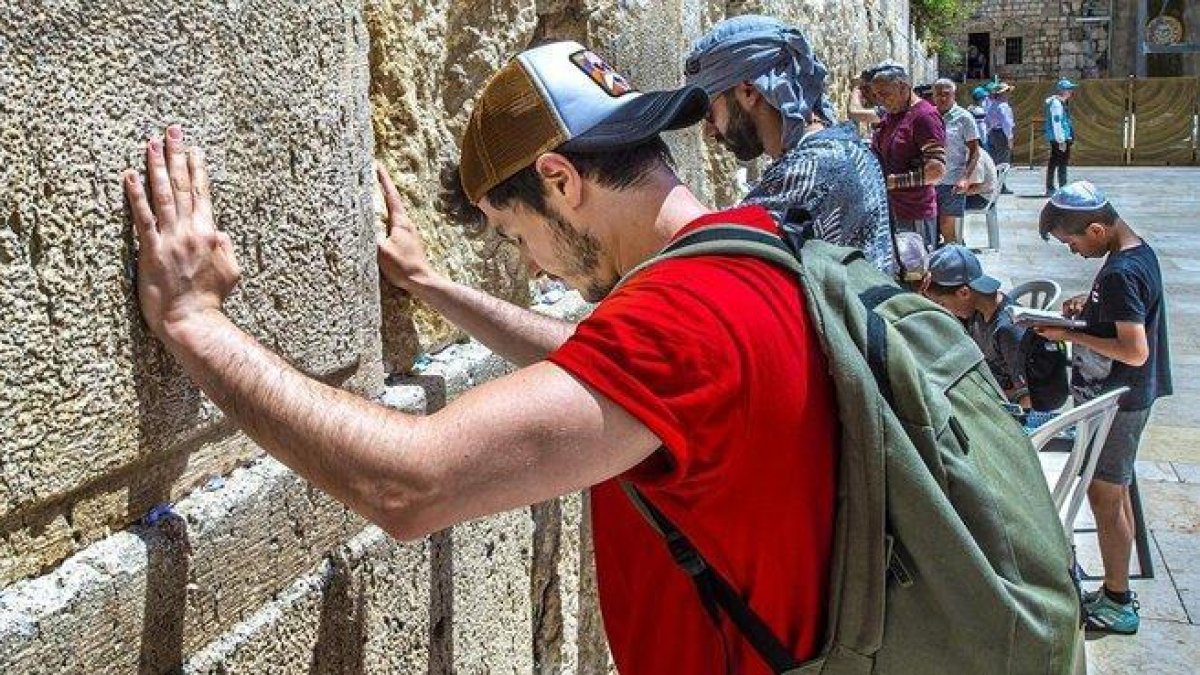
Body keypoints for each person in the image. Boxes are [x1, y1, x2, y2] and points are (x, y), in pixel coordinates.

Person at [124, 40, 839, 673]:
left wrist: (196, 321)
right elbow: (594, 368)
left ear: (560, 180)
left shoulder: (675, 325)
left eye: (514, 231)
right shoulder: (747, 250)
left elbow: (411, 486)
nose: (531, 268)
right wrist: (429, 285)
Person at [1036, 181, 1172, 635]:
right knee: (1114, 491)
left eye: (1073, 242)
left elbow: (1134, 350)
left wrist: (1070, 334)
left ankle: (1118, 601)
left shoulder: (1120, 273)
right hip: (1130, 397)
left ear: (1096, 229)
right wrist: (1090, 309)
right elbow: (1125, 315)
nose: (1073, 251)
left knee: (1105, 497)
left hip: (1121, 399)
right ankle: (1116, 589)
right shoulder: (1136, 253)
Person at [683, 15, 895, 275]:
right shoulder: (845, 146)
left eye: (709, 114)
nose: (709, 131)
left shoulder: (814, 172)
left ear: (748, 91)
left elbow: (707, 263)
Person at [921, 245, 1031, 408]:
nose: (943, 309)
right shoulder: (976, 310)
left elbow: (1028, 397)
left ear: (964, 293)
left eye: (941, 303)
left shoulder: (1008, 330)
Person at [867, 61, 946, 251]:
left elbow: (936, 171)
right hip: (892, 210)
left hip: (914, 214)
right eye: (877, 95)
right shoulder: (892, 115)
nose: (881, 101)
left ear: (903, 87)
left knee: (915, 272)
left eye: (885, 94)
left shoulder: (924, 117)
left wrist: (894, 182)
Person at [932, 79, 981, 246]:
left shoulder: (964, 118)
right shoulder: (928, 116)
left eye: (947, 94)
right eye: (939, 94)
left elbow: (974, 152)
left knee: (947, 226)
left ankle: (954, 262)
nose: (943, 98)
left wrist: (965, 178)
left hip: (952, 181)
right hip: (930, 180)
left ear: (953, 95)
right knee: (930, 228)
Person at [1044, 79, 1077, 196]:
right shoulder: (1057, 104)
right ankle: (1062, 188)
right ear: (1063, 91)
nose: (1071, 91)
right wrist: (1061, 140)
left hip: (1059, 137)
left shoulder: (1059, 103)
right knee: (1061, 163)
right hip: (1059, 138)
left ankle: (1052, 187)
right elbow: (1057, 123)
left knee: (1054, 162)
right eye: (1069, 89)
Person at [985, 82, 1015, 194]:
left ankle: (994, 183)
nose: (1009, 95)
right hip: (1001, 134)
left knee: (994, 160)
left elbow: (988, 121)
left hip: (993, 133)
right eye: (1007, 92)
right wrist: (1010, 138)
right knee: (1003, 160)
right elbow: (1006, 123)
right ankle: (1001, 186)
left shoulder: (992, 105)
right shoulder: (1003, 106)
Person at [967, 86, 990, 152]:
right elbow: (981, 127)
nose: (986, 99)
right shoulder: (979, 111)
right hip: (980, 139)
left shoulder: (970, 108)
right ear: (980, 99)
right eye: (984, 98)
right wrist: (984, 141)